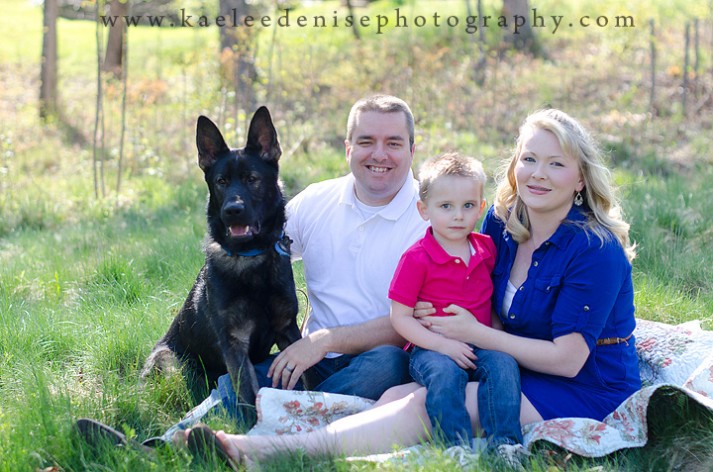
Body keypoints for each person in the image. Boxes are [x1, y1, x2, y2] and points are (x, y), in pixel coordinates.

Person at [181, 108, 641, 467]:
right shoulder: (500, 226)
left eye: (556, 164)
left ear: (580, 177)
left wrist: (474, 337)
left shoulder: (593, 250)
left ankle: (266, 454)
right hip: (512, 362)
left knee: (425, 404)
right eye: (530, 159)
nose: (539, 174)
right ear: (515, 167)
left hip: (582, 384)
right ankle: (303, 438)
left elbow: (568, 359)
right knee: (399, 395)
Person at [389, 152, 522, 449]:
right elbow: (399, 317)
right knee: (445, 374)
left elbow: (488, 300)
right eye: (446, 206)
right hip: (432, 347)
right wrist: (442, 345)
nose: (458, 215)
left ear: (481, 208)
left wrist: (496, 335)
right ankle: (455, 447)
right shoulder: (416, 258)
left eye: (468, 206)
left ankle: (506, 444)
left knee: (504, 365)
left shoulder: (486, 249)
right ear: (424, 209)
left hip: (480, 343)